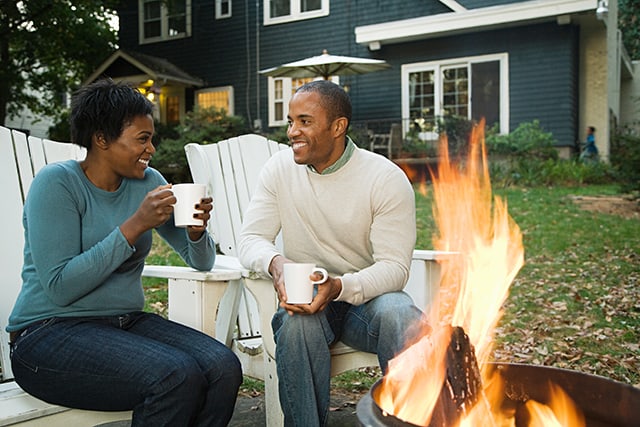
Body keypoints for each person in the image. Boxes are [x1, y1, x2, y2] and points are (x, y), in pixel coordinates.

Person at [6, 79, 242, 426]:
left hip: (124, 324)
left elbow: (202, 261)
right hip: (47, 335)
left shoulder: (147, 181)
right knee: (175, 376)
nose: (152, 149)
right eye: (142, 139)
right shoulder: (57, 183)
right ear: (101, 139)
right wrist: (135, 225)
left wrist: (196, 231)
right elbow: (60, 286)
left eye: (151, 138)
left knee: (222, 367)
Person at [237, 80, 425, 426]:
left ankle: (409, 420)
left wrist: (338, 287)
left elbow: (395, 268)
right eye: (290, 121)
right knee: (296, 325)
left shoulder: (384, 178)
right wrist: (275, 263)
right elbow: (250, 239)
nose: (292, 131)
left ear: (338, 127)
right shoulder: (279, 170)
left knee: (401, 313)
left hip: (365, 305)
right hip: (306, 302)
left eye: (304, 121)